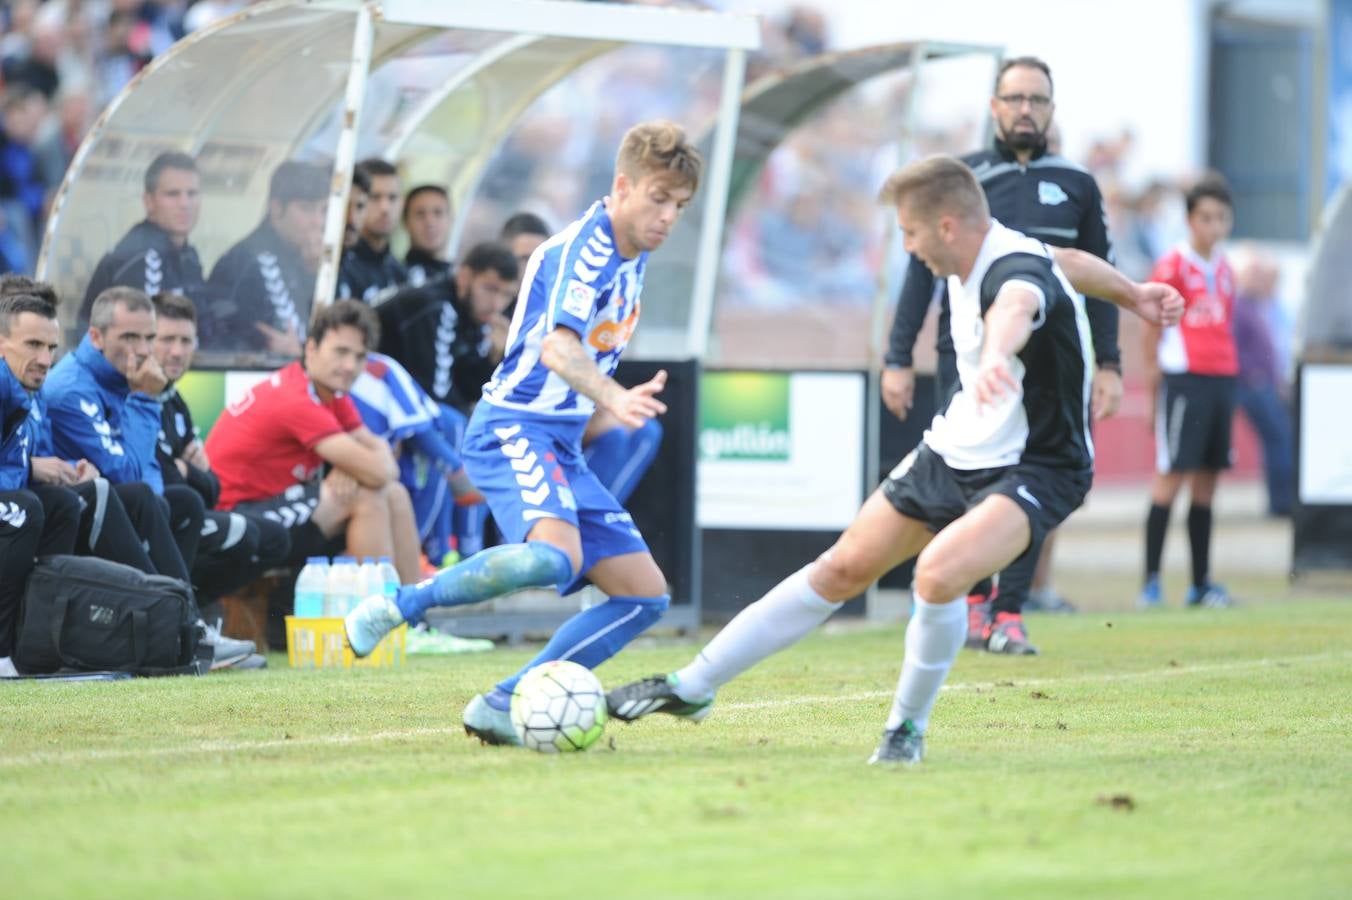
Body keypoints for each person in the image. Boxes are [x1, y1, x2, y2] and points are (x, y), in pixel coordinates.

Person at [604, 155, 1183, 766]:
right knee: (840, 569)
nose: (907, 246)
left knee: (936, 574)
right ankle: (693, 685)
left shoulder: (1009, 273)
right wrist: (1134, 293)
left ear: (948, 228)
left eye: (910, 232)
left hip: (1039, 464)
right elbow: (1066, 264)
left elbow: (1017, 302)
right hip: (955, 447)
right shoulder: (1008, 248)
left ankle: (905, 730)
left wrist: (994, 356)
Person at [344, 120, 704, 747]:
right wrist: (614, 397)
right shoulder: (585, 251)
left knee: (644, 596)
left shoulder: (632, 255)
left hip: (558, 439)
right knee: (551, 558)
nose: (668, 216)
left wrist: (600, 406)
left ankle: (503, 702)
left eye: (679, 205)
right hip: (512, 426)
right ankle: (397, 606)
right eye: (658, 198)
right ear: (623, 186)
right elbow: (557, 349)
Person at [882, 56, 1121, 654]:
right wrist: (897, 355)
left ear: (1051, 109)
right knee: (965, 477)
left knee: (1030, 481)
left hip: (1048, 367)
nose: (1025, 110)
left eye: (1037, 100)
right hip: (964, 356)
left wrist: (1111, 363)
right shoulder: (964, 177)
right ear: (994, 106)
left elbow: (1099, 275)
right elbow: (918, 272)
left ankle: (1009, 609)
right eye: (1014, 98)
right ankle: (970, 599)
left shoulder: (1076, 185)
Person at [43, 285, 259, 669]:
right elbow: (125, 472)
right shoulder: (73, 389)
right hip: (72, 517)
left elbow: (151, 476)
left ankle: (182, 628)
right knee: (144, 498)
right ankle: (184, 630)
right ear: (96, 336)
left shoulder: (126, 378)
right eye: (129, 337)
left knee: (184, 503)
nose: (143, 350)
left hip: (118, 507)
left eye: (148, 338)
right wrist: (144, 400)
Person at [204, 299, 423, 587]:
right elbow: (379, 469)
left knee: (394, 493)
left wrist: (355, 465)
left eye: (359, 357)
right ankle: (379, 622)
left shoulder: (331, 393)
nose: (350, 366)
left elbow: (377, 453)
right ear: (311, 348)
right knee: (366, 496)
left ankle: (416, 617)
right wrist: (359, 465)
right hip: (236, 519)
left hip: (273, 507)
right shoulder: (296, 399)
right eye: (341, 352)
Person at [500, 211, 663, 504]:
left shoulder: (568, 300)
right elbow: (550, 357)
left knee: (645, 428)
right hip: (528, 422)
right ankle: (577, 525)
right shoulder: (499, 315)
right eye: (523, 258)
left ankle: (596, 522)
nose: (531, 266)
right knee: (612, 437)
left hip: (574, 411)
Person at [151, 292, 292, 604]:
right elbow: (165, 481)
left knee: (275, 539)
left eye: (186, 341)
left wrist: (189, 471)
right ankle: (176, 614)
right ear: (147, 340)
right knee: (241, 532)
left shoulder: (175, 402)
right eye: (167, 339)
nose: (177, 351)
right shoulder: (138, 397)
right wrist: (187, 470)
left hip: (187, 510)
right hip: (157, 518)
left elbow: (212, 488)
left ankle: (192, 611)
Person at [1139, 175, 1239, 609]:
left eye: (1220, 218)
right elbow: (1150, 323)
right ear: (1189, 220)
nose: (1213, 227)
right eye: (1205, 218)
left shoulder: (1227, 269)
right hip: (1185, 380)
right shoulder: (1172, 266)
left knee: (1207, 482)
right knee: (1170, 477)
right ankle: (1151, 582)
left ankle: (1200, 583)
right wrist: (1152, 377)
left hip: (1222, 378)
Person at [376, 241, 517, 414]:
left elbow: (465, 386)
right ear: (464, 278)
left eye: (507, 295)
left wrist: (493, 359)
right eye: (490, 289)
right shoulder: (437, 307)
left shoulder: (473, 315)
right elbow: (435, 395)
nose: (497, 305)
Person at [205, 160, 327, 356]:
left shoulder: (305, 260)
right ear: (276, 208)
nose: (318, 222)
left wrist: (314, 275)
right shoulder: (245, 261)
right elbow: (222, 337)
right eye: (306, 209)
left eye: (323, 210)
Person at [79, 151, 206, 329]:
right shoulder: (138, 258)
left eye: (192, 193)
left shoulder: (189, 256)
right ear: (149, 201)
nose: (185, 203)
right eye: (173, 194)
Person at [1231, 251, 1293, 517]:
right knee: (1279, 439)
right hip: (1254, 386)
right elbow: (1235, 348)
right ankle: (1281, 503)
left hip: (1265, 383)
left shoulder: (1256, 307)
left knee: (1277, 440)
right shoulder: (1240, 307)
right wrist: (1253, 374)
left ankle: (1280, 500)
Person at [337, 159, 407, 303]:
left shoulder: (400, 273)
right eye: (375, 197)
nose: (385, 208)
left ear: (401, 203)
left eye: (392, 198)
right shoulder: (339, 264)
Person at [402, 184, 453, 286]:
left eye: (438, 213)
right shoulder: (398, 277)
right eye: (420, 214)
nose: (430, 222)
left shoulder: (460, 280)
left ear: (451, 219)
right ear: (405, 222)